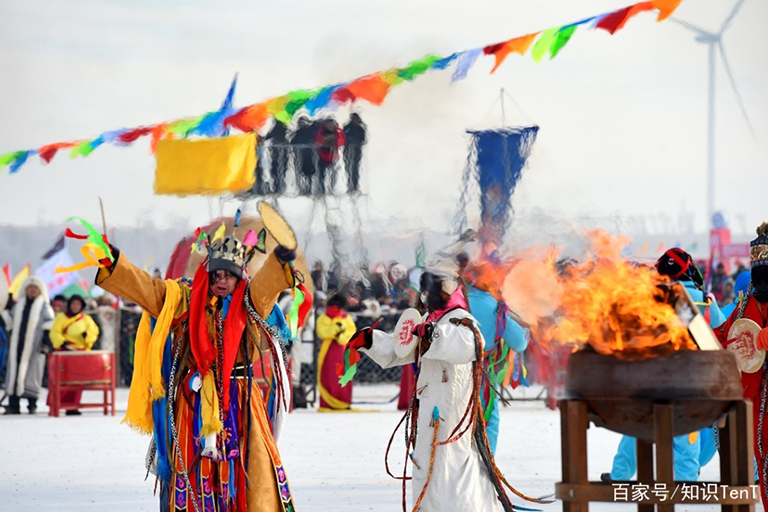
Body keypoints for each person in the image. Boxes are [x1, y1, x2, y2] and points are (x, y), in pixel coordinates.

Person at [94, 225, 299, 512]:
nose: (222, 281)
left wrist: (281, 257)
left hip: (240, 398)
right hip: (194, 399)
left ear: (239, 276)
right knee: (193, 465)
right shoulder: (184, 299)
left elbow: (267, 284)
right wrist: (115, 264)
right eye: (217, 274)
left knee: (252, 467)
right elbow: (150, 291)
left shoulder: (251, 302)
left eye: (229, 275)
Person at [348, 256, 526, 511]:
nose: (425, 295)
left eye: (430, 290)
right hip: (430, 413)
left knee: (454, 471)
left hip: (452, 417)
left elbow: (472, 345)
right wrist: (371, 340)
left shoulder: (461, 318)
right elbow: (403, 349)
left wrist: (435, 337)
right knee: (427, 468)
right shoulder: (432, 319)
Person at [603, 248, 726, 482]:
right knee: (685, 433)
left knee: (636, 428)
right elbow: (719, 333)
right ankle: (686, 481)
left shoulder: (651, 298)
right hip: (688, 379)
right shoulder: (703, 300)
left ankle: (620, 475)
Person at [715, 222, 768, 509]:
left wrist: (764, 337)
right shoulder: (748, 298)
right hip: (755, 397)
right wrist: (692, 334)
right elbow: (727, 333)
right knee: (763, 459)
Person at [466, 264, 528, 455]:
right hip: (480, 375)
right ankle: (486, 467)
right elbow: (519, 343)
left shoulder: (458, 301)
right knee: (487, 419)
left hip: (448, 374)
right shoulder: (494, 309)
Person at [3, 276, 54, 415]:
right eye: (30, 288)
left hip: (35, 347)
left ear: (40, 291)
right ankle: (14, 405)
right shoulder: (19, 306)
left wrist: (45, 342)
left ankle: (32, 405)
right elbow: (9, 322)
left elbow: (49, 324)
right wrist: (5, 309)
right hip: (17, 346)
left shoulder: (44, 307)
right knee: (14, 373)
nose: (32, 290)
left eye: (35, 288)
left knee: (32, 375)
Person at [48, 294, 100, 415]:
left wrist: (87, 337)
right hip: (64, 352)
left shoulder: (86, 319)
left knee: (77, 380)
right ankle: (56, 404)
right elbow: (55, 332)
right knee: (61, 380)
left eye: (78, 304)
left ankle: (73, 405)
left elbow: (94, 332)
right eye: (73, 304)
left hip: (80, 353)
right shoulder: (60, 317)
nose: (75, 306)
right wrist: (63, 343)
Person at [315, 293, 357, 410]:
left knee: (341, 374)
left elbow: (351, 332)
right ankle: (332, 401)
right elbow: (322, 332)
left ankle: (342, 400)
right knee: (330, 376)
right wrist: (336, 330)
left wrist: (341, 336)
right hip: (329, 351)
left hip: (343, 350)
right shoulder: (325, 318)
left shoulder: (344, 317)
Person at [314, 118, 345, 195]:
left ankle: (332, 188)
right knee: (321, 174)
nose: (331, 127)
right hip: (322, 156)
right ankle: (321, 190)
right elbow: (317, 142)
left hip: (333, 157)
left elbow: (342, 141)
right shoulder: (321, 132)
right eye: (329, 125)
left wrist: (335, 139)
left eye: (332, 125)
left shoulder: (337, 133)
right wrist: (323, 140)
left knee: (333, 174)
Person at [343, 113, 367, 193]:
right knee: (349, 167)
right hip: (348, 150)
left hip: (357, 150)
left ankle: (355, 185)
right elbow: (343, 138)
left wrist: (357, 143)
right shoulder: (347, 128)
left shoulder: (361, 128)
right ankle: (350, 185)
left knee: (355, 168)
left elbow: (364, 140)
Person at [265, 119, 289, 195]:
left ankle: (276, 187)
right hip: (284, 151)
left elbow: (268, 136)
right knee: (282, 169)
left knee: (275, 169)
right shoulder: (285, 128)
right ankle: (281, 186)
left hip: (276, 152)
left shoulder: (275, 128)